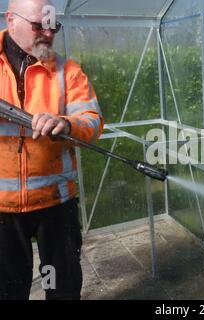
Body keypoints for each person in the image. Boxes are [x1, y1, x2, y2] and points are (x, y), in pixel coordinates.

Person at [0, 0, 103, 300]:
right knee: (8, 291)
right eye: (38, 26)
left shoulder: (67, 71)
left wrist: (66, 124)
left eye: (52, 26)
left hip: (56, 205)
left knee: (62, 288)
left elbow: (92, 122)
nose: (47, 33)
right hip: (2, 211)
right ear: (10, 19)